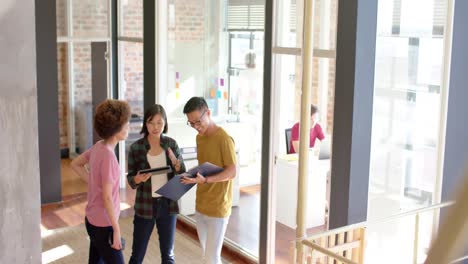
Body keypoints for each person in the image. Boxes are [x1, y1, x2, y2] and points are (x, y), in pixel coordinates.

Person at [70, 99, 131, 264]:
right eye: (126, 124)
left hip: (91, 220)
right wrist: (116, 230)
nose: (128, 127)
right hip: (104, 225)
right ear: (115, 129)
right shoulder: (110, 157)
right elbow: (107, 198)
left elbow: (75, 164)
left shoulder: (98, 146)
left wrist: (93, 182)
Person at [127, 104, 186, 264]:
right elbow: (131, 178)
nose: (155, 127)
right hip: (145, 205)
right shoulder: (136, 148)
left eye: (160, 122)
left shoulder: (171, 144)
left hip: (168, 204)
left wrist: (176, 162)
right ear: (145, 123)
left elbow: (182, 174)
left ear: (165, 123)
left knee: (168, 256)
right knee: (137, 255)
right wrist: (138, 179)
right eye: (151, 122)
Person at [181, 97, 237, 264]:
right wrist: (192, 177)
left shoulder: (224, 138)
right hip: (201, 204)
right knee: (207, 255)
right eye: (191, 123)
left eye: (198, 121)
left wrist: (206, 180)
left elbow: (232, 171)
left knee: (212, 258)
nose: (196, 127)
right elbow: (205, 167)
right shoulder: (200, 138)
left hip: (218, 207)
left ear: (209, 113)